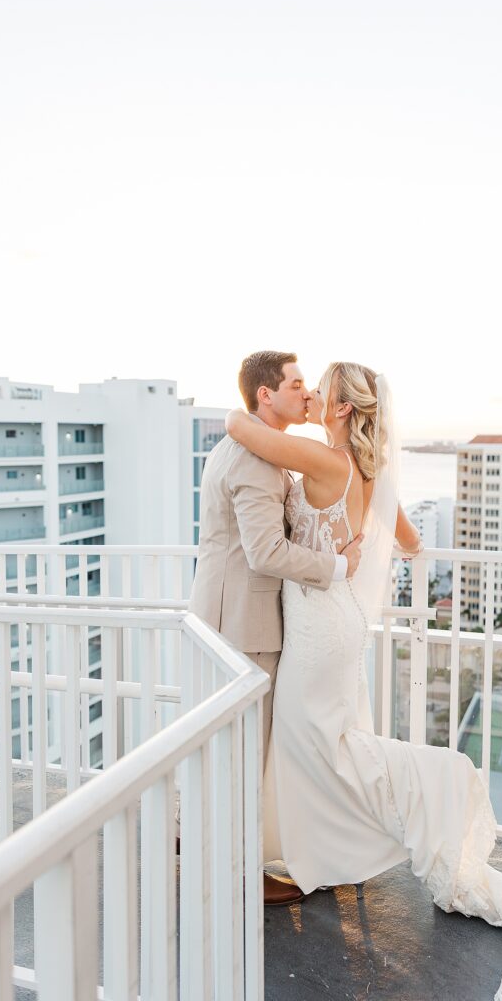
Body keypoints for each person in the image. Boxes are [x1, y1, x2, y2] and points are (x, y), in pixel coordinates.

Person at [225, 361, 502, 1001]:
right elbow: (411, 543)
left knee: (323, 747)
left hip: (315, 626)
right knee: (318, 745)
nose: (309, 397)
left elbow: (251, 435)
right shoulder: (370, 471)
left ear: (338, 409)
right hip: (339, 623)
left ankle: (433, 784)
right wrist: (359, 543)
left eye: (319, 391)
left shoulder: (323, 461)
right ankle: (326, 858)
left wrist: (234, 412)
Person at [189, 350, 364, 906]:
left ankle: (211, 845)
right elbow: (264, 552)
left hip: (232, 615)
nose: (305, 393)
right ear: (266, 394)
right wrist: (336, 567)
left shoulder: (250, 448)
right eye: (294, 384)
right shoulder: (255, 461)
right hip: (244, 624)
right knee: (243, 756)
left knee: (233, 752)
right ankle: (240, 876)